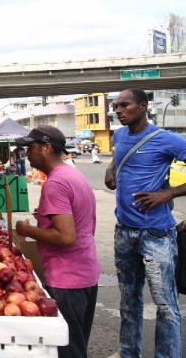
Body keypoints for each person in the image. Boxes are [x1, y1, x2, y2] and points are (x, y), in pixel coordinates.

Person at [104, 88, 186, 358]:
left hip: (156, 234)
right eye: (115, 106)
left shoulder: (167, 140)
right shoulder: (119, 135)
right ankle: (129, 354)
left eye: (124, 105)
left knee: (165, 305)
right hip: (124, 232)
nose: (118, 110)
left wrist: (168, 193)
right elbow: (118, 157)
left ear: (142, 106)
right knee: (129, 302)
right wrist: (111, 170)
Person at [14, 125, 99, 358]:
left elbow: (66, 236)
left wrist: (27, 229)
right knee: (77, 343)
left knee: (68, 350)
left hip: (67, 280)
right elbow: (78, 221)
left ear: (47, 148)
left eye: (30, 148)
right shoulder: (72, 174)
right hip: (86, 274)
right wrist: (44, 217)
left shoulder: (55, 184)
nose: (26, 154)